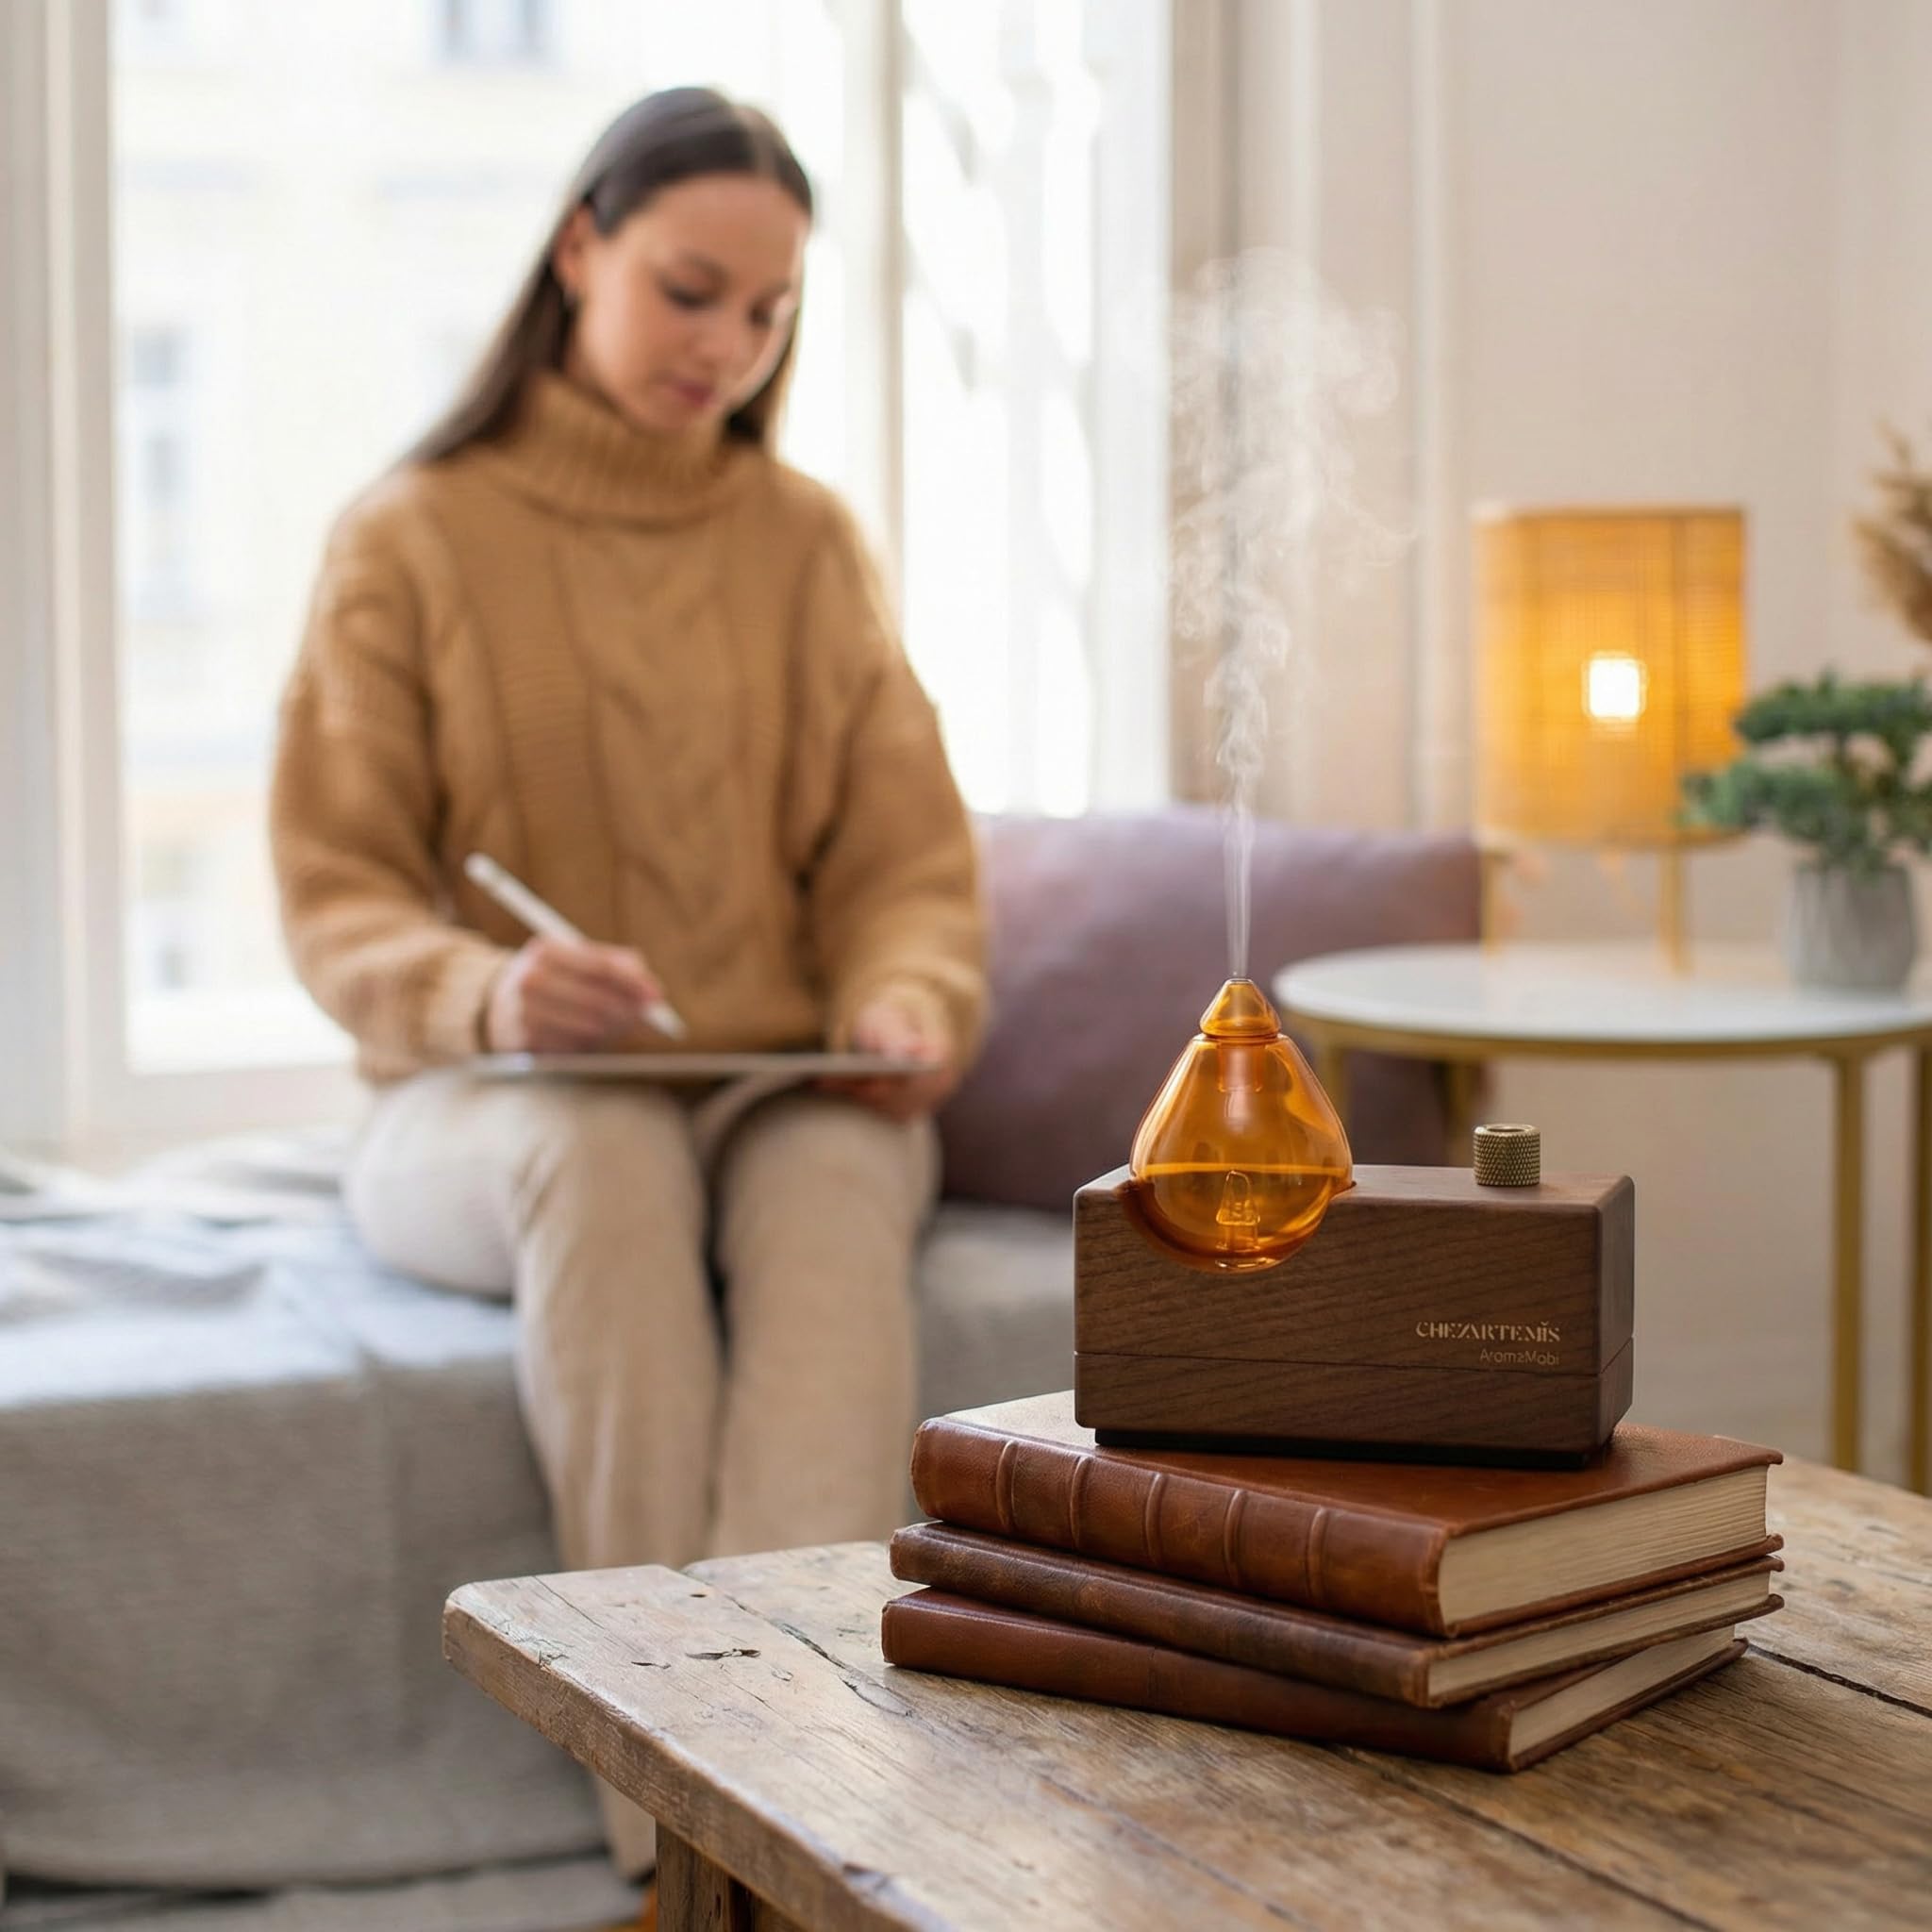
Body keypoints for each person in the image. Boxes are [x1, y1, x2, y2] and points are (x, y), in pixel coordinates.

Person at [268, 87, 986, 1877]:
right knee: (604, 1161)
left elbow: (906, 866)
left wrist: (908, 1003)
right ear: (579, 246)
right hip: (484, 1104)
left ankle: (793, 1795)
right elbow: (337, 896)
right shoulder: (411, 539)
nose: (729, 347)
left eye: (769, 313)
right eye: (689, 290)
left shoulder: (805, 542)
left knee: (834, 1189)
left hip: (774, 1085)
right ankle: (687, 1840)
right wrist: (491, 996)